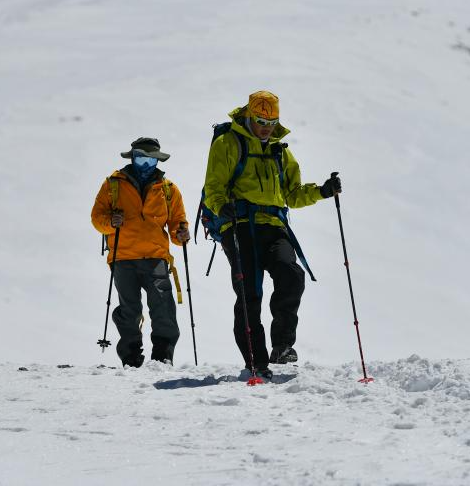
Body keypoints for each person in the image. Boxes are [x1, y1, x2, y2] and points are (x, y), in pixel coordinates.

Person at [203, 91, 341, 378]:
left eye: (271, 120)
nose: (266, 126)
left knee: (291, 274)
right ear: (249, 116)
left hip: (274, 225)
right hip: (239, 224)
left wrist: (323, 191)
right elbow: (214, 186)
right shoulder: (227, 143)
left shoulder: (280, 150)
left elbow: (293, 194)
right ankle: (256, 362)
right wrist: (221, 207)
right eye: (260, 120)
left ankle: (282, 346)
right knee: (249, 292)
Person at [91, 137, 189, 367]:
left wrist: (181, 233)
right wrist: (110, 222)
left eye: (150, 160)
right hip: (123, 257)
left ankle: (163, 355)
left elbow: (178, 223)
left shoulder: (168, 189)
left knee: (163, 305)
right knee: (130, 309)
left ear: (157, 161)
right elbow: (97, 219)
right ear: (132, 158)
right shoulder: (112, 184)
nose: (145, 165)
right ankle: (131, 357)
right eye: (140, 158)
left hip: (155, 256)